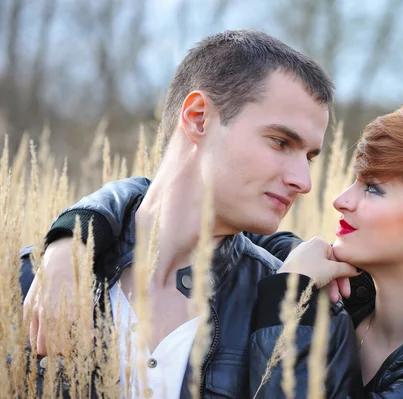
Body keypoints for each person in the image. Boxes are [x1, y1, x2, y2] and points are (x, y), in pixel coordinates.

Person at [25, 104, 403, 398]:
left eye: (374, 189)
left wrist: (289, 294)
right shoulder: (344, 284)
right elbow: (167, 202)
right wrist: (72, 243)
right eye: (355, 180)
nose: (339, 198)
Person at [20, 29, 365, 398]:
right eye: (281, 142)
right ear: (199, 118)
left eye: (310, 157)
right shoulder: (27, 281)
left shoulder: (311, 318)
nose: (304, 181)